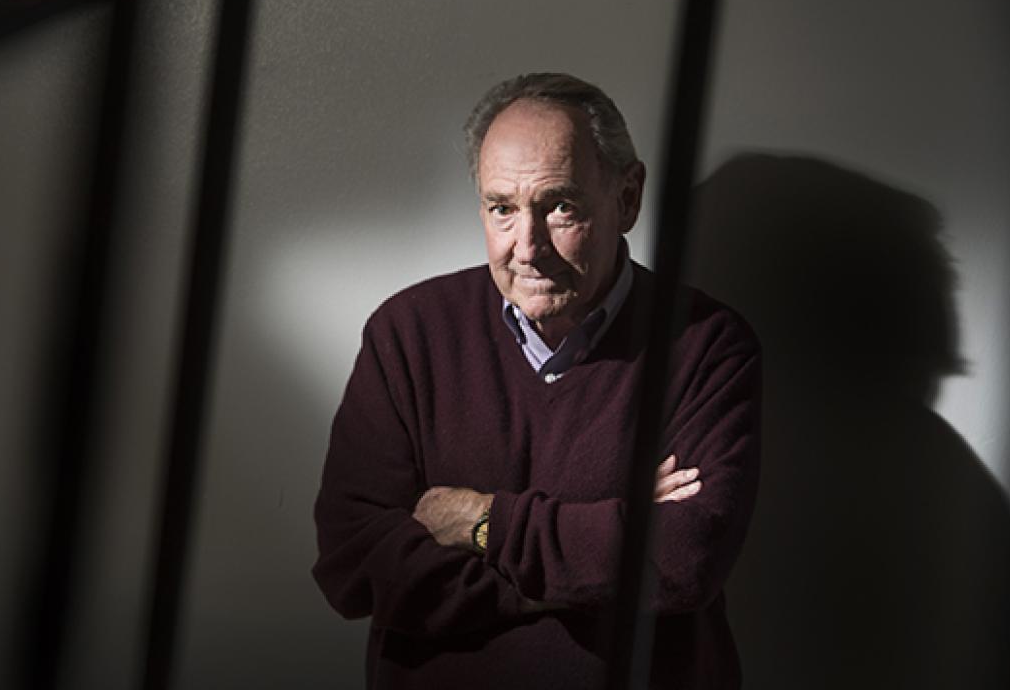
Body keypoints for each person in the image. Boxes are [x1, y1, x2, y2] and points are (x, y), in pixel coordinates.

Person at [312, 72, 761, 689]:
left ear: (627, 199)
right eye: (502, 209)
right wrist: (608, 539)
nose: (527, 247)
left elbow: (683, 560)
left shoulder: (706, 344)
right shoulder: (407, 334)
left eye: (561, 206)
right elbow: (352, 563)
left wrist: (483, 521)